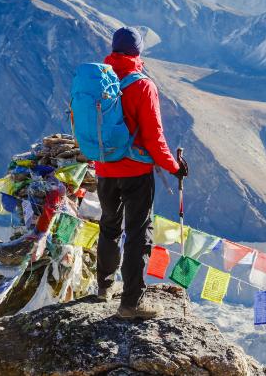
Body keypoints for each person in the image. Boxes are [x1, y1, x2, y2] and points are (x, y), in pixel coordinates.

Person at [95, 26, 188, 319]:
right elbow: (154, 138)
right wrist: (175, 168)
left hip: (104, 167)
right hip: (135, 171)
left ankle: (104, 287)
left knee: (109, 225)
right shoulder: (142, 85)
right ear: (138, 52)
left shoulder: (100, 81)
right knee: (137, 232)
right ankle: (131, 303)